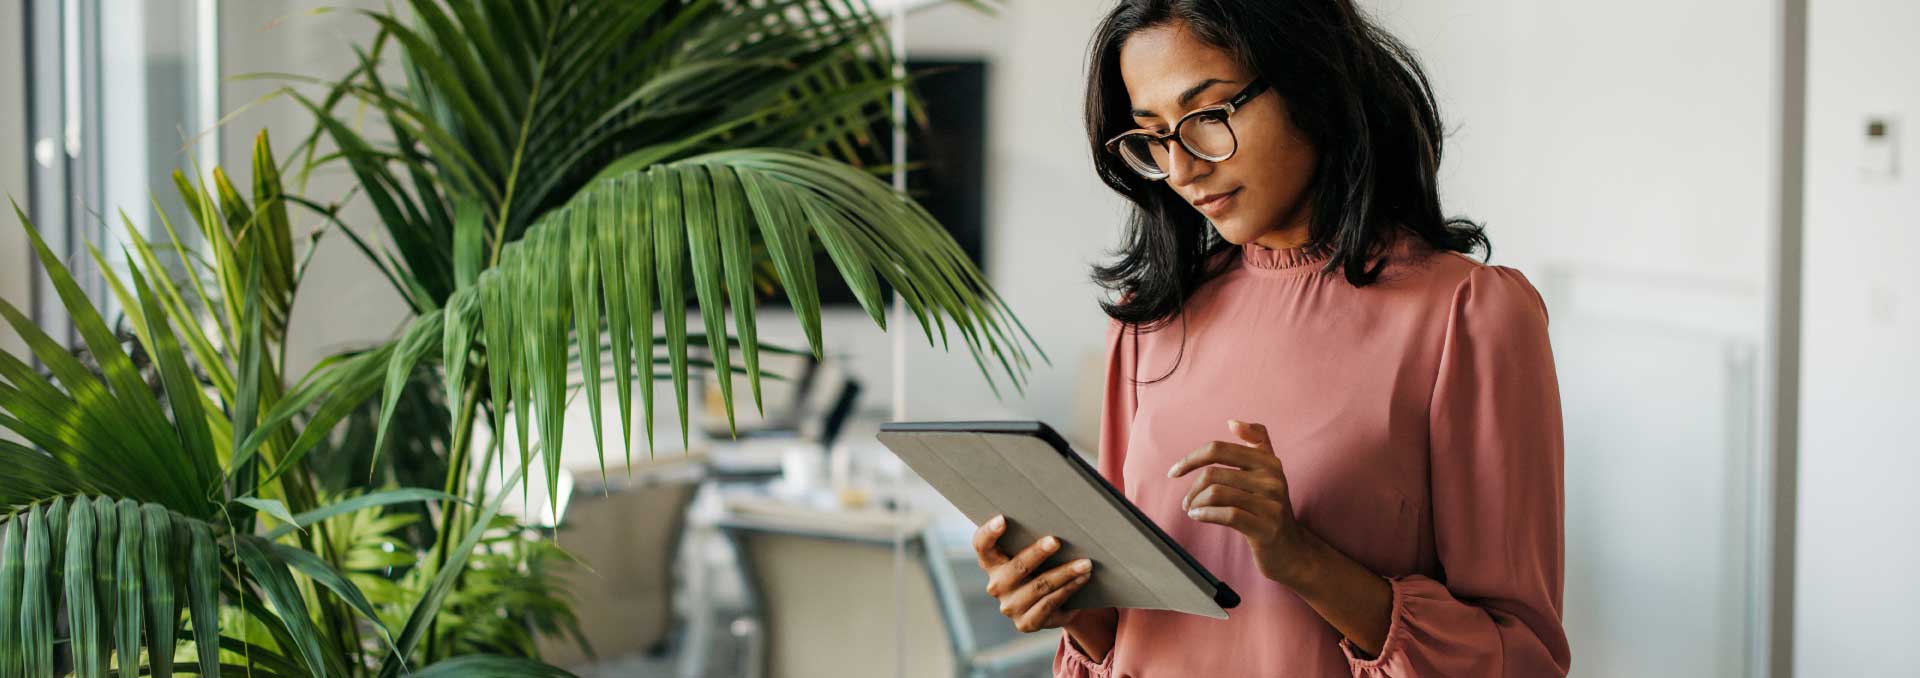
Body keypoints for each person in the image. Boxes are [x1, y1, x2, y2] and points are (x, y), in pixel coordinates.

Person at [968, 1, 1574, 676]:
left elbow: (1522, 657)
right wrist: (1070, 609)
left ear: (1311, 82)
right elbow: (1131, 635)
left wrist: (1300, 556)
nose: (1182, 168)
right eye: (1153, 136)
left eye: (1208, 116)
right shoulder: (1150, 321)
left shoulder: (1468, 315)